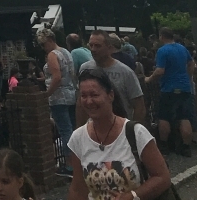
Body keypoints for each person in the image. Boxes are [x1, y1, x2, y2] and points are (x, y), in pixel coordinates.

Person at [67, 67, 171, 200]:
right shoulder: (78, 138)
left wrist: (132, 196)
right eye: (84, 96)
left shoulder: (135, 133)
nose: (89, 101)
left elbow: (162, 177)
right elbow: (77, 189)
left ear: (110, 95)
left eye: (94, 95)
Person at [145, 26, 196, 156]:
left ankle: (164, 145)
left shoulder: (162, 51)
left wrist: (149, 78)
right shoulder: (182, 48)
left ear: (161, 36)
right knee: (184, 117)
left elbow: (160, 70)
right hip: (184, 87)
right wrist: (188, 77)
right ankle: (186, 147)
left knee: (164, 117)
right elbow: (191, 63)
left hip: (169, 88)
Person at [77, 31, 147, 125]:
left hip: (120, 127)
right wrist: (79, 128)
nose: (93, 49)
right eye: (91, 45)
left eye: (98, 46)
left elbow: (139, 106)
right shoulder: (84, 69)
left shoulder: (125, 72)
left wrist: (132, 129)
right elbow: (80, 104)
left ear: (109, 48)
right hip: (93, 128)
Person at [36, 27, 76, 176]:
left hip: (59, 97)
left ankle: (69, 165)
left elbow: (56, 77)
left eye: (43, 44)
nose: (43, 47)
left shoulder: (52, 55)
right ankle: (77, 161)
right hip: (71, 94)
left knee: (65, 131)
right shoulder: (66, 52)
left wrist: (47, 94)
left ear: (49, 40)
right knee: (73, 129)